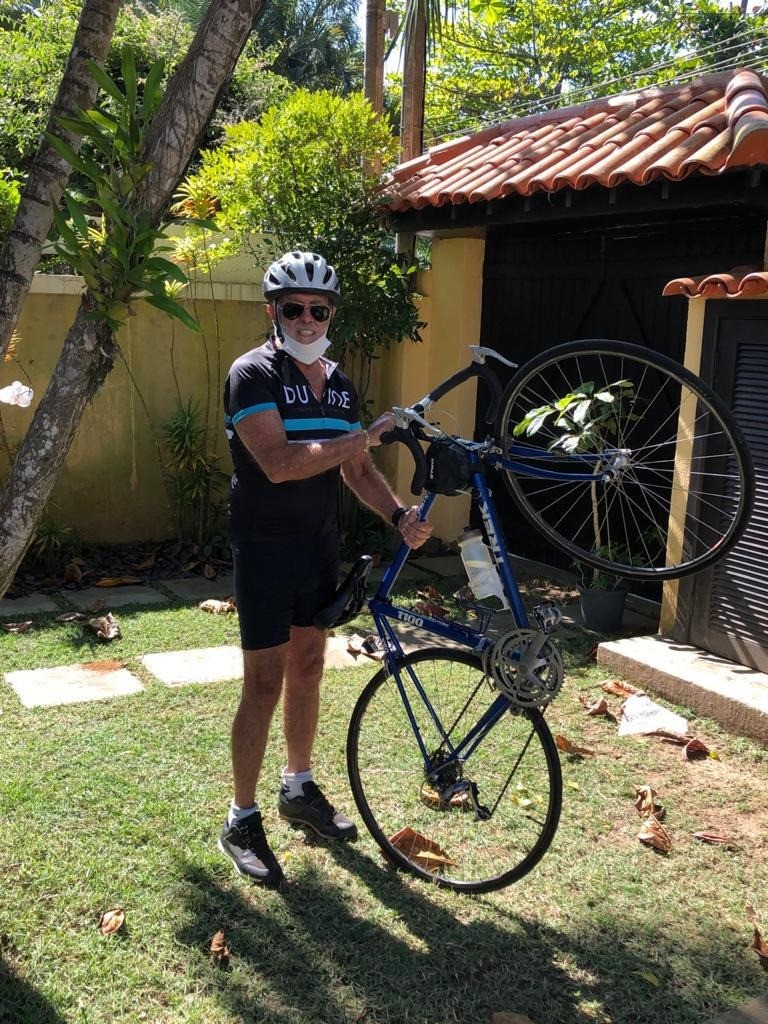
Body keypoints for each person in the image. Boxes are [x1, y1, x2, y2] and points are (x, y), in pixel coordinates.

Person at [219, 250, 432, 886]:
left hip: (318, 546)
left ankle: (298, 787)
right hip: (263, 550)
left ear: (330, 314)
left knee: (310, 666)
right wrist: (365, 436)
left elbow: (357, 471)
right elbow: (279, 462)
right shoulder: (251, 374)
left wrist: (397, 516)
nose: (308, 319)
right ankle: (240, 817)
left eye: (319, 309)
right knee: (263, 683)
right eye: (295, 309)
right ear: (273, 312)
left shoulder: (338, 383)